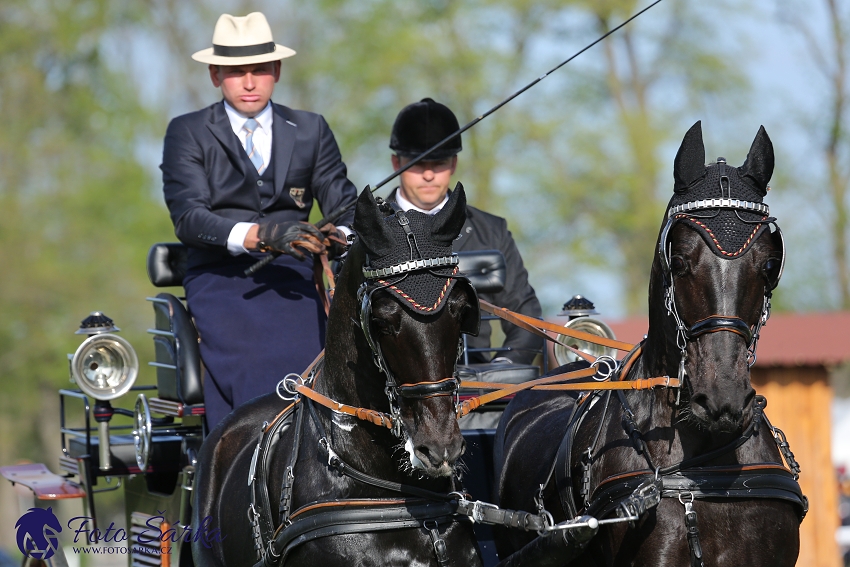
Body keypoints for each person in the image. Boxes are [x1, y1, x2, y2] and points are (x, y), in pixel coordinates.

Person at [160, 12, 356, 429]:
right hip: (222, 277)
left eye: (259, 70)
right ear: (216, 75)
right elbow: (189, 218)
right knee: (258, 367)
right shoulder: (188, 132)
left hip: (294, 278)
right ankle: (247, 465)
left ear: (277, 71)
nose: (249, 83)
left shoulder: (310, 129)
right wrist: (262, 235)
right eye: (235, 72)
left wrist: (339, 235)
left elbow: (345, 202)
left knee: (323, 363)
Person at [387, 98, 542, 365]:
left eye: (438, 163)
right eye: (416, 163)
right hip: (392, 391)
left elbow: (525, 315)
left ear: (454, 163)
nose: (428, 175)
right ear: (395, 163)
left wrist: (503, 370)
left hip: (476, 388)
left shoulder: (492, 231)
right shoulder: (370, 231)